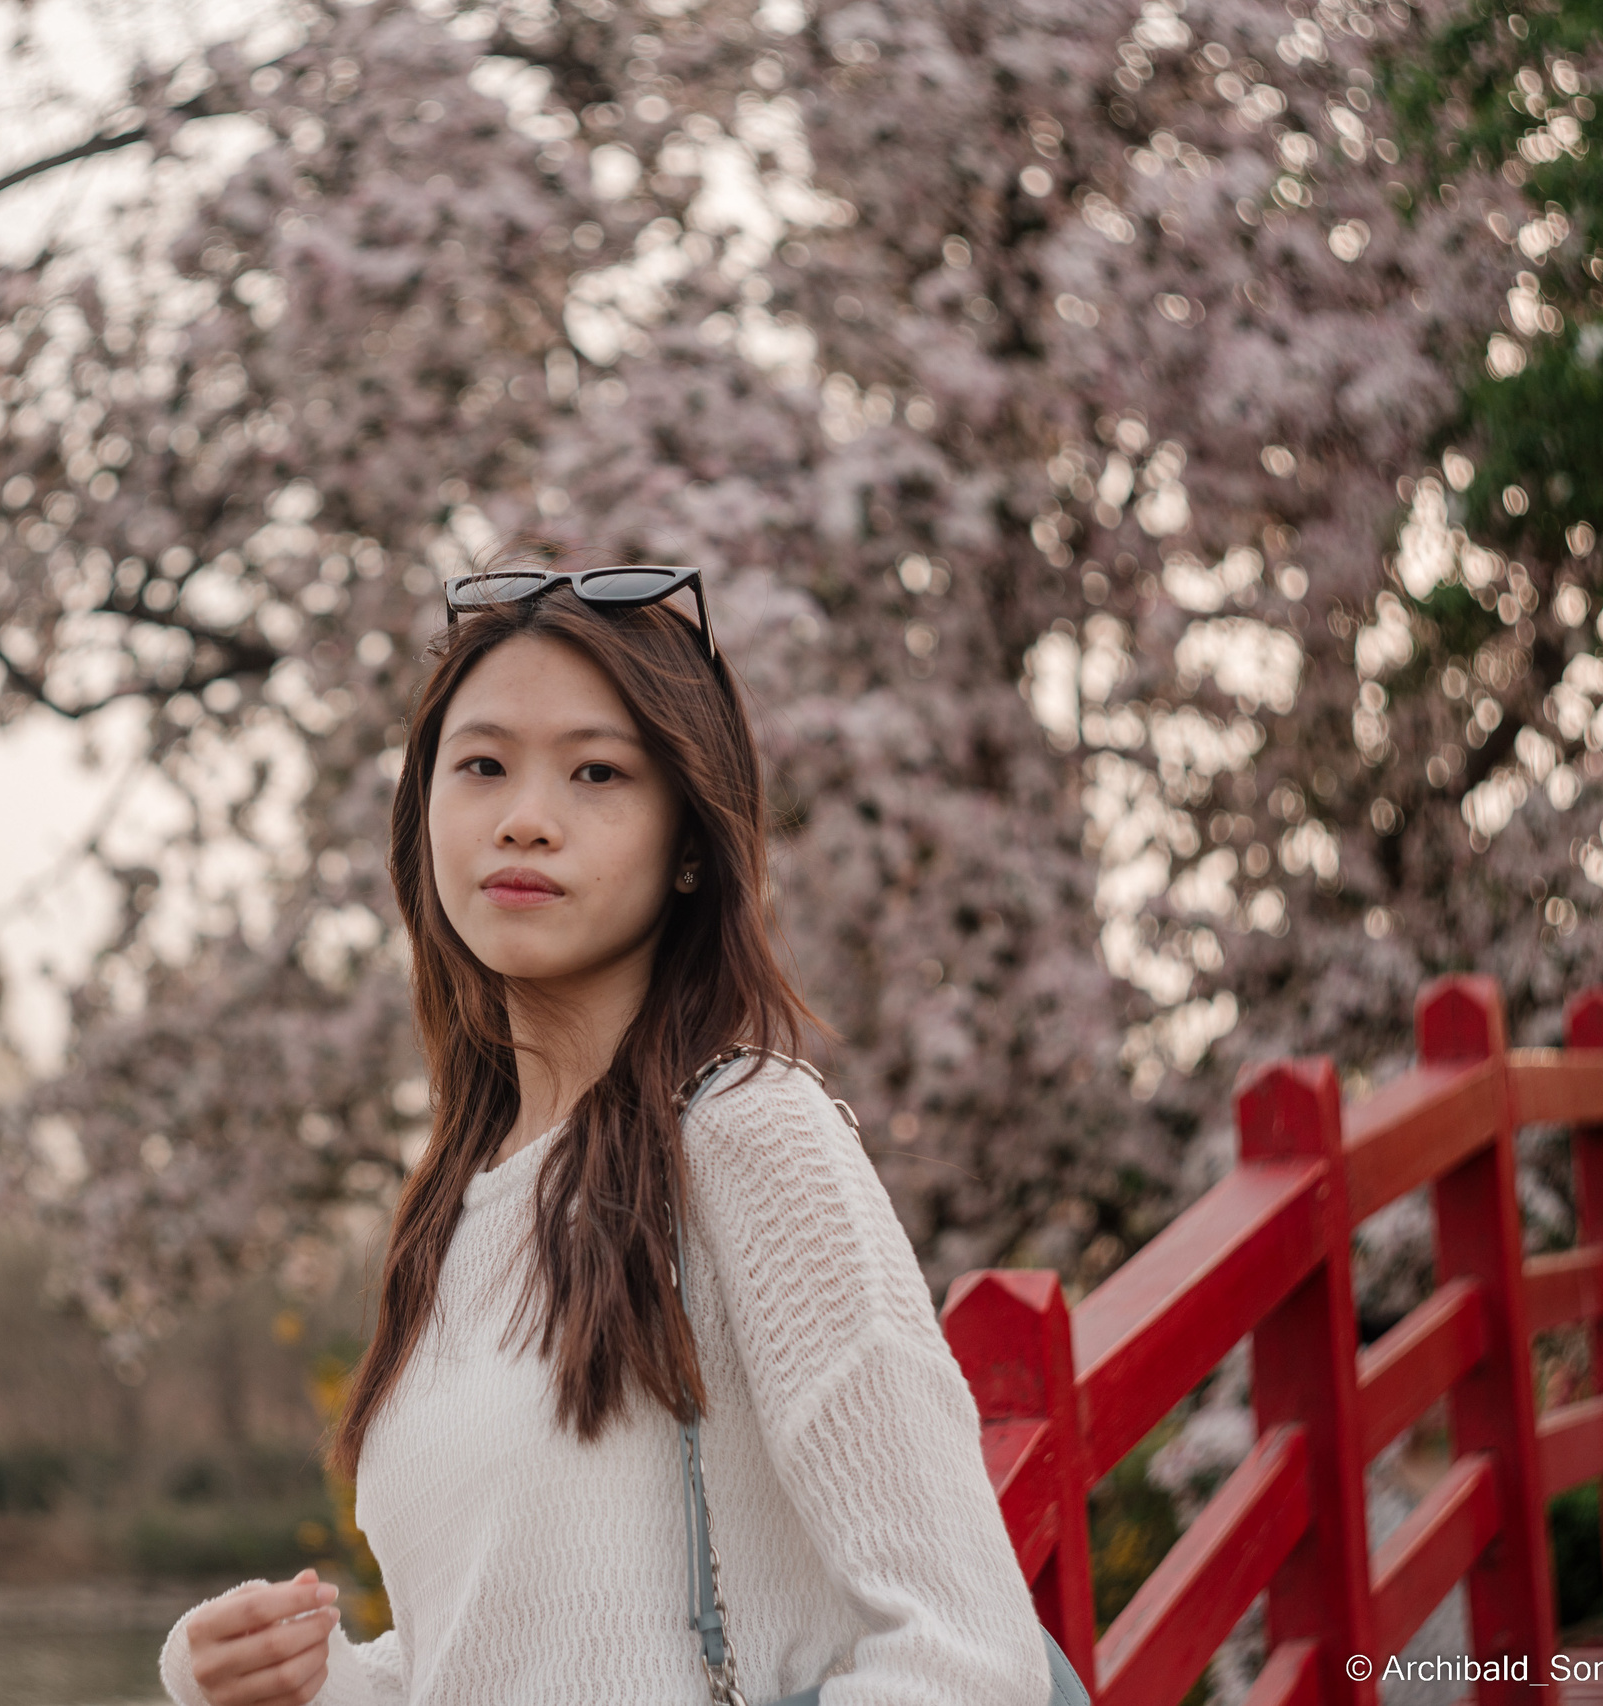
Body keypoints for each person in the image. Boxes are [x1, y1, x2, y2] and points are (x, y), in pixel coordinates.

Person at [161, 550, 1055, 1706]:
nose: (525, 819)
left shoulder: (748, 1136)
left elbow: (968, 1656)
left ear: (690, 844)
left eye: (596, 773)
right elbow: (490, 1659)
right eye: (480, 764)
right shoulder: (453, 1203)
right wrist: (286, 1680)